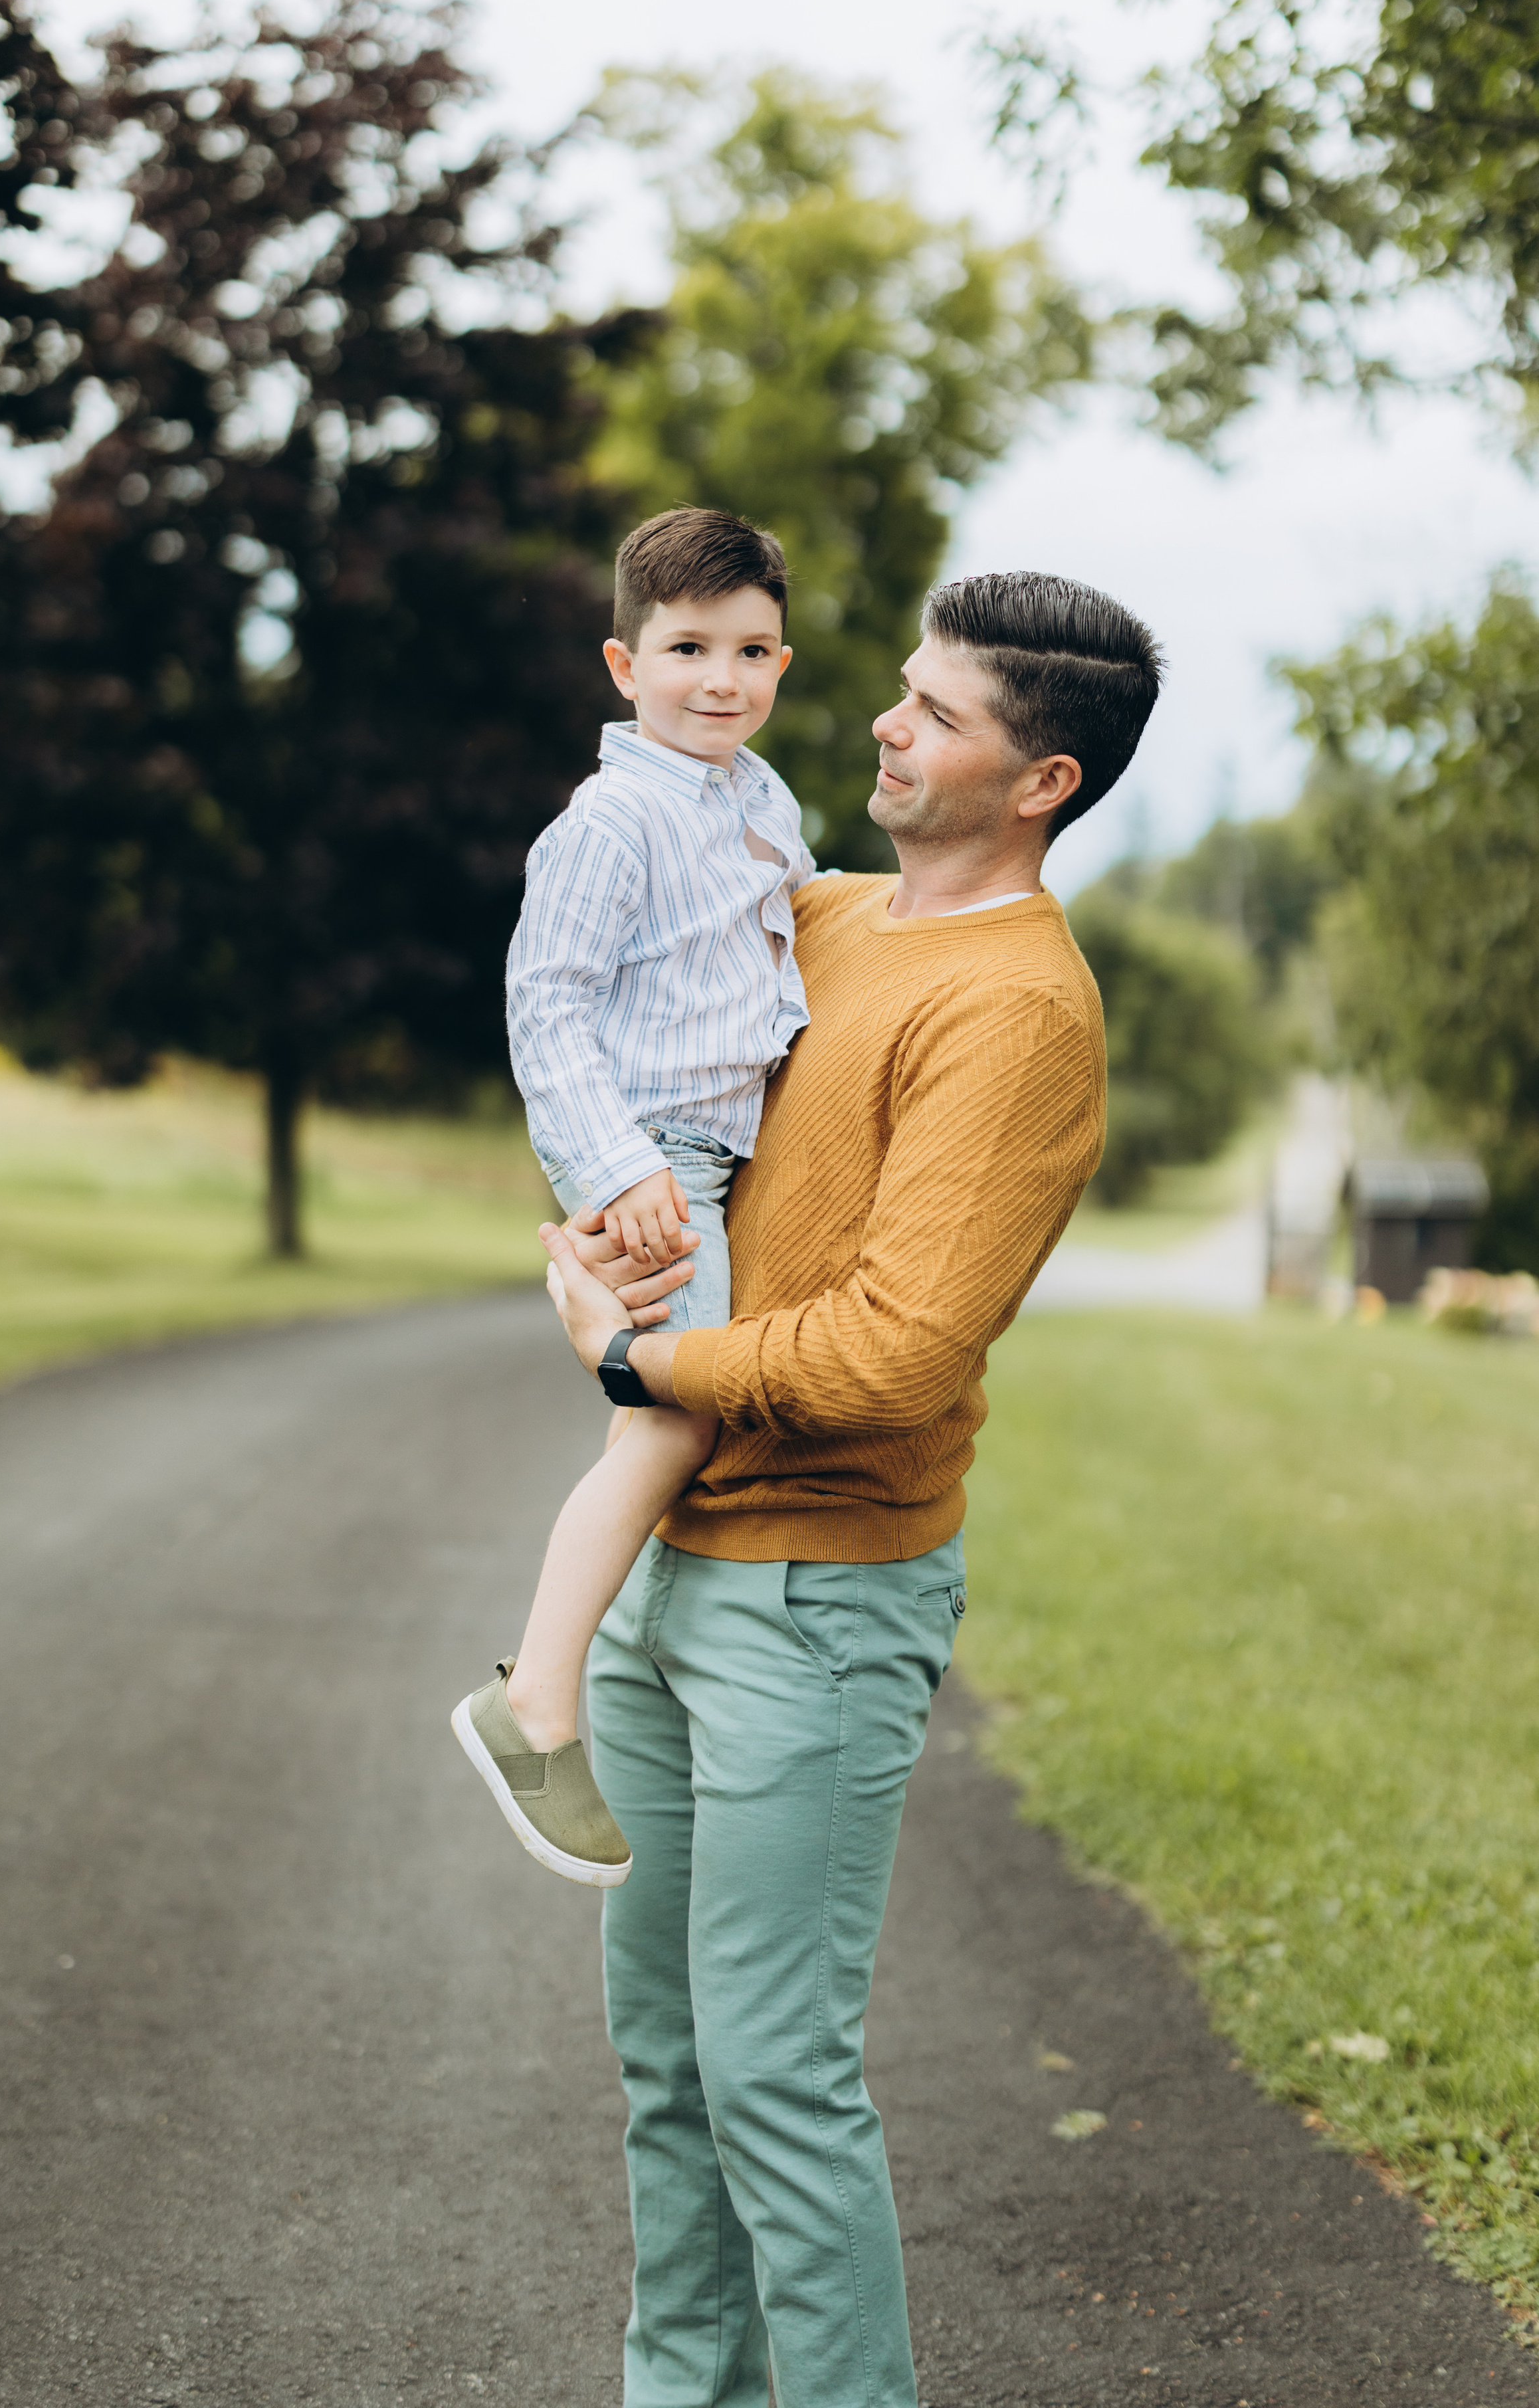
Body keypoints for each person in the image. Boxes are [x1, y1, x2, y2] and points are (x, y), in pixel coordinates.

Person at [536, 569, 1164, 2407]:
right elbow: (634, 1104)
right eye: (897, 691)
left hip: (813, 1600)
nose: (884, 726)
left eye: (939, 715)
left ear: (1039, 780)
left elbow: (894, 1348)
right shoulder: (804, 913)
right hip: (667, 1570)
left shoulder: (1021, 1017)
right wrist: (585, 1261)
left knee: (776, 2076)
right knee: (666, 2058)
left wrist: (641, 1365)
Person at [453, 505, 815, 1884]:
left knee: (680, 1427)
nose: (720, 679)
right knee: (669, 1425)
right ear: (623, 663)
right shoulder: (609, 822)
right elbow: (546, 1010)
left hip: (718, 1160)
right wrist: (620, 1175)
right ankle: (532, 1702)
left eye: (752, 650)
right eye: (687, 649)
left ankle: (623, 1672)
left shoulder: (758, 798)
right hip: (649, 1157)